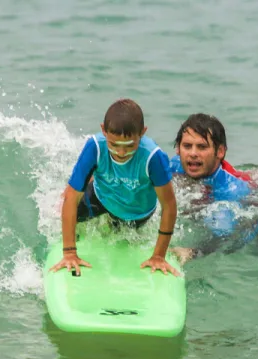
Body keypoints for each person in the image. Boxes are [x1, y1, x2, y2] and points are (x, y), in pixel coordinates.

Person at [49, 99, 180, 277]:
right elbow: (71, 200)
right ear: (103, 130)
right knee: (63, 207)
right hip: (100, 196)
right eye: (113, 144)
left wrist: (158, 256)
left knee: (116, 235)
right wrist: (69, 253)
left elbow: (169, 206)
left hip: (136, 211)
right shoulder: (95, 146)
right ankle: (90, 177)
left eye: (130, 146)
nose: (121, 152)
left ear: (143, 133)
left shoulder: (153, 157)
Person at [168, 113, 258, 263]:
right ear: (178, 149)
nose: (193, 153)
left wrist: (193, 252)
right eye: (187, 146)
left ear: (220, 151)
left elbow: (224, 238)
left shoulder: (229, 192)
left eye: (202, 147)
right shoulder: (174, 165)